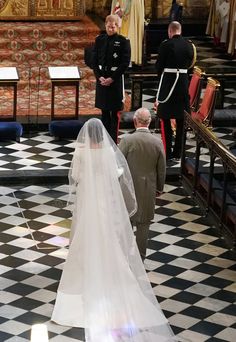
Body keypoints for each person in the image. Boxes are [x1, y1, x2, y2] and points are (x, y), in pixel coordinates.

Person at [51, 118, 175, 342]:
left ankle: (88, 272)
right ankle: (109, 271)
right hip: (105, 202)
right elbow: (117, 174)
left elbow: (76, 177)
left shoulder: (81, 153)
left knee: (85, 236)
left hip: (89, 200)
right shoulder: (109, 152)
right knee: (108, 236)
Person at [119, 108, 166, 259]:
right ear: (150, 122)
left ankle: (124, 257)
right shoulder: (157, 142)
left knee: (126, 222)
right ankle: (140, 258)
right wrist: (159, 188)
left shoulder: (127, 140)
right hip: (148, 189)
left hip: (128, 188)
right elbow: (161, 169)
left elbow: (118, 164)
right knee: (144, 224)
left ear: (134, 121)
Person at [155, 21, 196, 162]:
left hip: (168, 84)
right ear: (180, 30)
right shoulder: (189, 45)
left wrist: (161, 76)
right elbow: (191, 64)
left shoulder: (165, 45)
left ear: (169, 31)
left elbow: (159, 65)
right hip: (183, 84)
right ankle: (179, 152)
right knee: (181, 119)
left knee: (165, 118)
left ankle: (168, 152)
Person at [93, 14, 131, 143]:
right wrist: (100, 78)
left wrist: (112, 78)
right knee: (104, 112)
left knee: (114, 114)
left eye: (113, 27)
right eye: (108, 27)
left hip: (115, 82)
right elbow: (94, 61)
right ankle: (104, 140)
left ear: (118, 26)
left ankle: (113, 142)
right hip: (102, 81)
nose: (110, 29)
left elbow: (125, 63)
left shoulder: (123, 41)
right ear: (105, 25)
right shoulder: (99, 40)